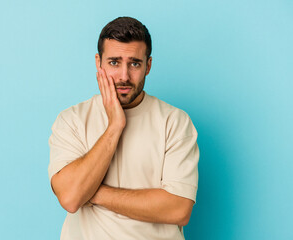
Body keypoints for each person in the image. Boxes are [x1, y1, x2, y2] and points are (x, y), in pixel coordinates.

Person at [48, 16, 199, 240]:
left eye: (135, 63)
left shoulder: (175, 121)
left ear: (148, 66)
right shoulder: (72, 120)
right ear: (99, 63)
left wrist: (92, 192)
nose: (124, 76)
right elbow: (70, 198)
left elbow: (178, 209)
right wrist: (114, 127)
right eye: (114, 62)